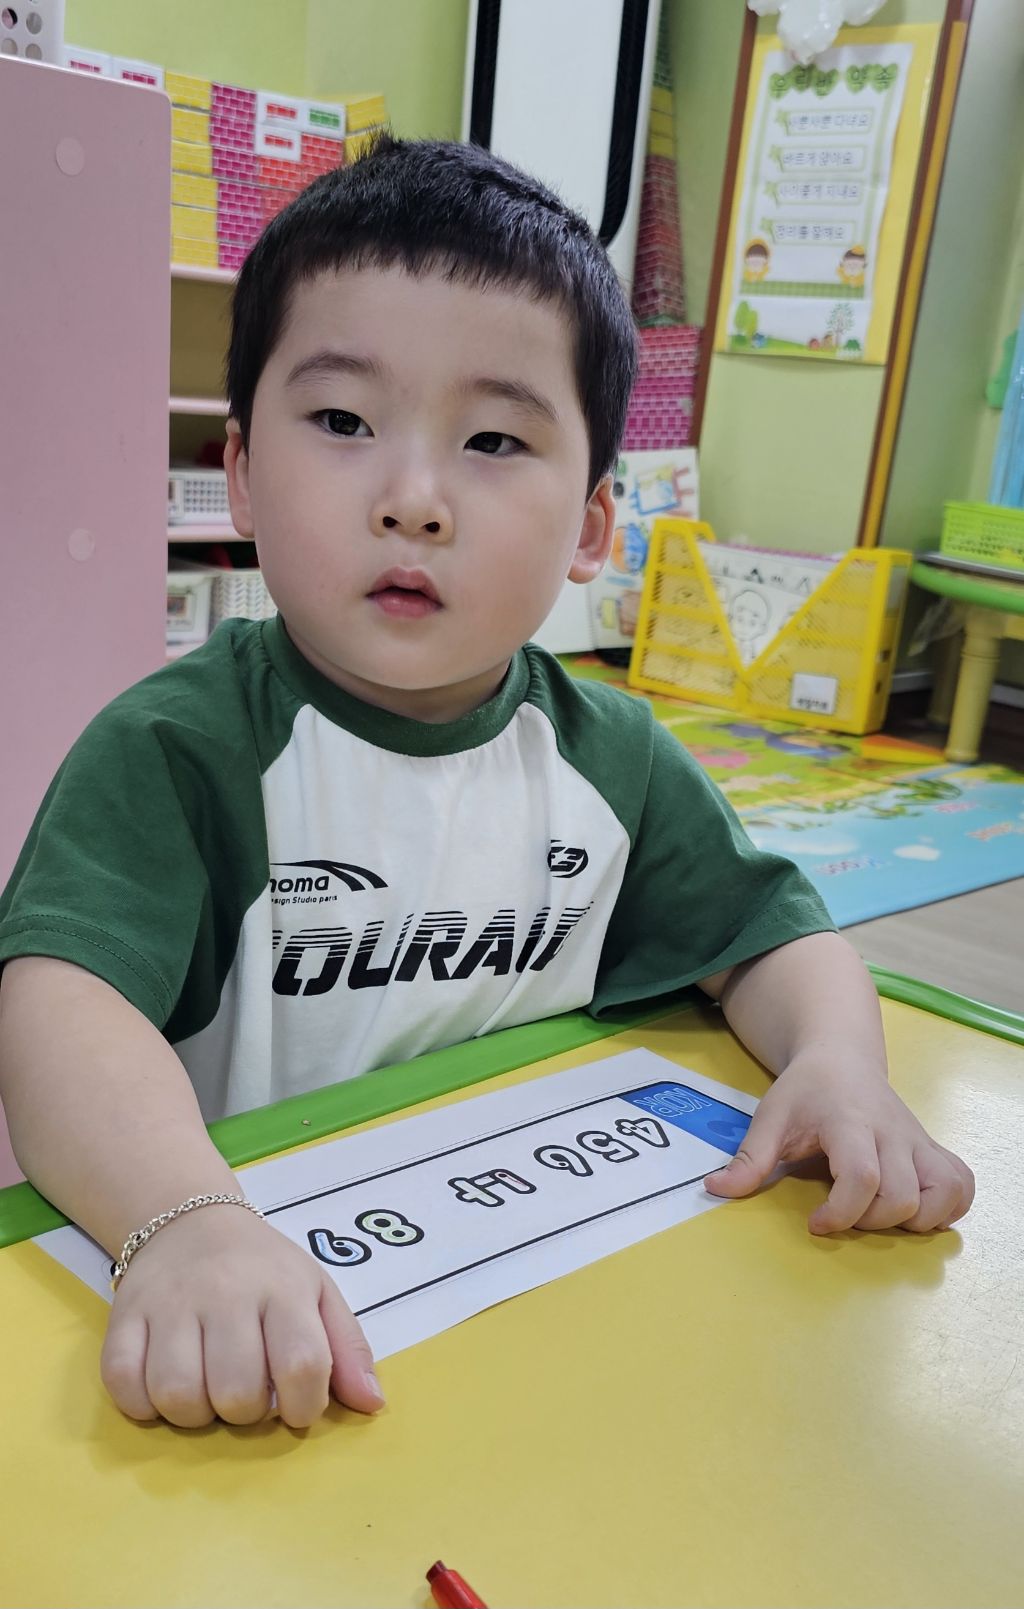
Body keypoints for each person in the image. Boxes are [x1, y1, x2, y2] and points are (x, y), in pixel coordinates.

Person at [0, 137, 974, 1433]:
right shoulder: (179, 751)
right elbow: (56, 1006)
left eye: (495, 439)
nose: (413, 500)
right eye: (343, 422)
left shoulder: (613, 759)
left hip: (524, 1301)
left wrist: (840, 1064)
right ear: (239, 472)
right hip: (249, 1318)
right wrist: (182, 1222)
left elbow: (773, 936)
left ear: (591, 527)